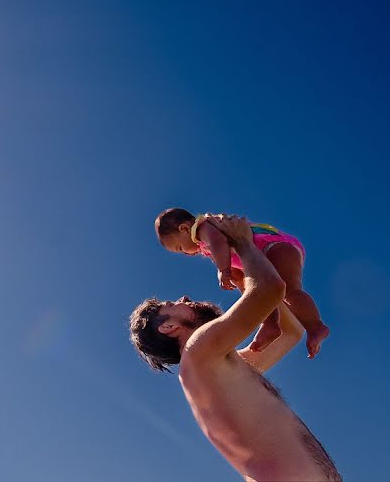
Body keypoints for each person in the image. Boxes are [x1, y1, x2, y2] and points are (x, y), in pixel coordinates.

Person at [131, 214, 341, 482]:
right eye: (171, 305)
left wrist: (247, 284)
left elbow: (290, 333)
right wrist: (243, 244)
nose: (183, 298)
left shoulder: (222, 368)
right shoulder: (197, 351)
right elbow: (270, 288)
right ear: (167, 328)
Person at [155, 207, 330, 358]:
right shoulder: (202, 240)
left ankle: (315, 326)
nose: (185, 253)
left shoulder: (202, 227)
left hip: (275, 245)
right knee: (250, 287)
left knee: (290, 290)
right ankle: (270, 324)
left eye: (180, 248)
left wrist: (224, 269)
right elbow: (223, 250)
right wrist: (224, 270)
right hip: (258, 254)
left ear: (185, 228)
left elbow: (218, 242)